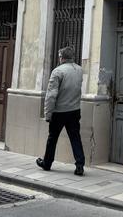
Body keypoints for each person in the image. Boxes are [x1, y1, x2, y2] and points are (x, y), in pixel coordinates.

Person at [36, 46, 85, 176]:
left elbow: (51, 95)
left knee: (52, 138)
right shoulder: (79, 70)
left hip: (59, 111)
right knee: (75, 137)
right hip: (74, 110)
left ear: (61, 57)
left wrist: (48, 113)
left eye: (59, 56)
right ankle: (80, 165)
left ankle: (47, 163)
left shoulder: (57, 71)